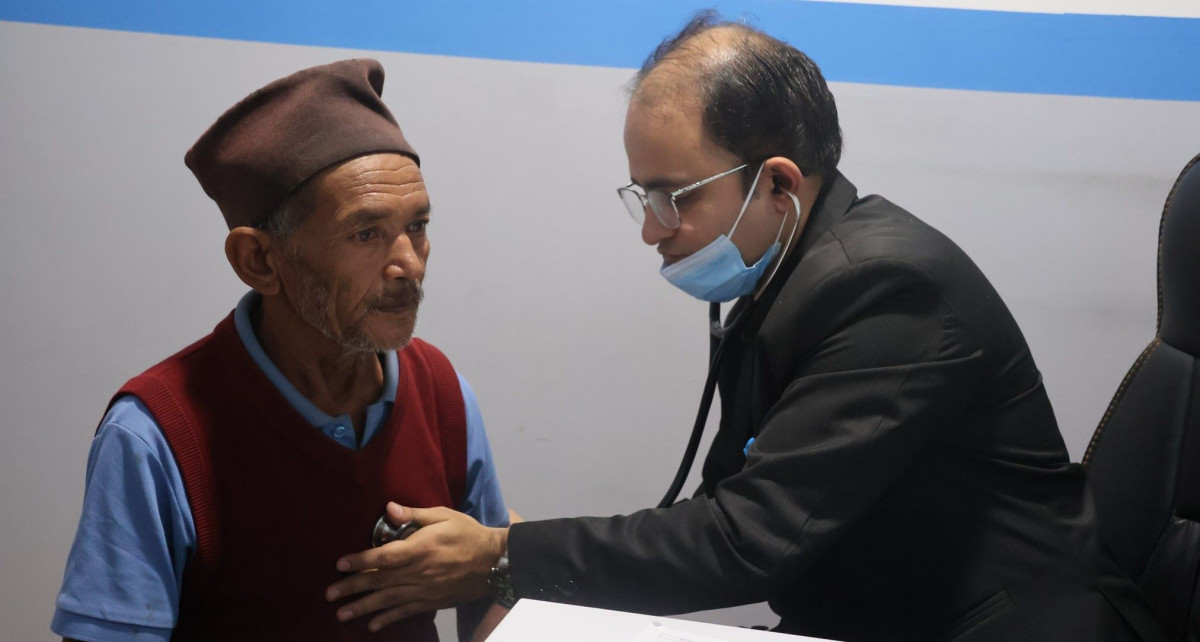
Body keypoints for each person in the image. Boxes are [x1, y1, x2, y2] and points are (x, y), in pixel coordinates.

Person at [323, 15, 1168, 642]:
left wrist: (501, 556)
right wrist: (517, 557)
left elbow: (745, 540)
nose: (651, 230)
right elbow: (728, 508)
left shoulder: (887, 291)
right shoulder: (788, 277)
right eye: (643, 196)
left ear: (777, 186)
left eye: (673, 197)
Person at [51, 59, 508, 642]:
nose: (409, 266)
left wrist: (492, 568)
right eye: (366, 234)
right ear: (259, 261)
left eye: (417, 226)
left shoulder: (442, 395)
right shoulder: (156, 436)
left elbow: (492, 582)